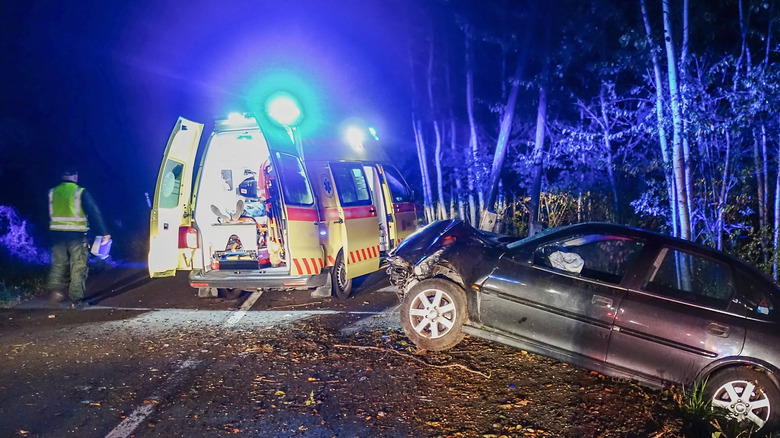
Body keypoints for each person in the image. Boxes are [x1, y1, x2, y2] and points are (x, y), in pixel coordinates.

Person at [47, 167, 110, 308]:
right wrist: (104, 232)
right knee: (78, 265)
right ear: (75, 176)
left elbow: (45, 213)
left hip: (57, 235)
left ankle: (55, 290)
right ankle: (76, 301)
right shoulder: (80, 192)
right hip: (76, 235)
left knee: (58, 263)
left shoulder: (53, 192)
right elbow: (94, 213)